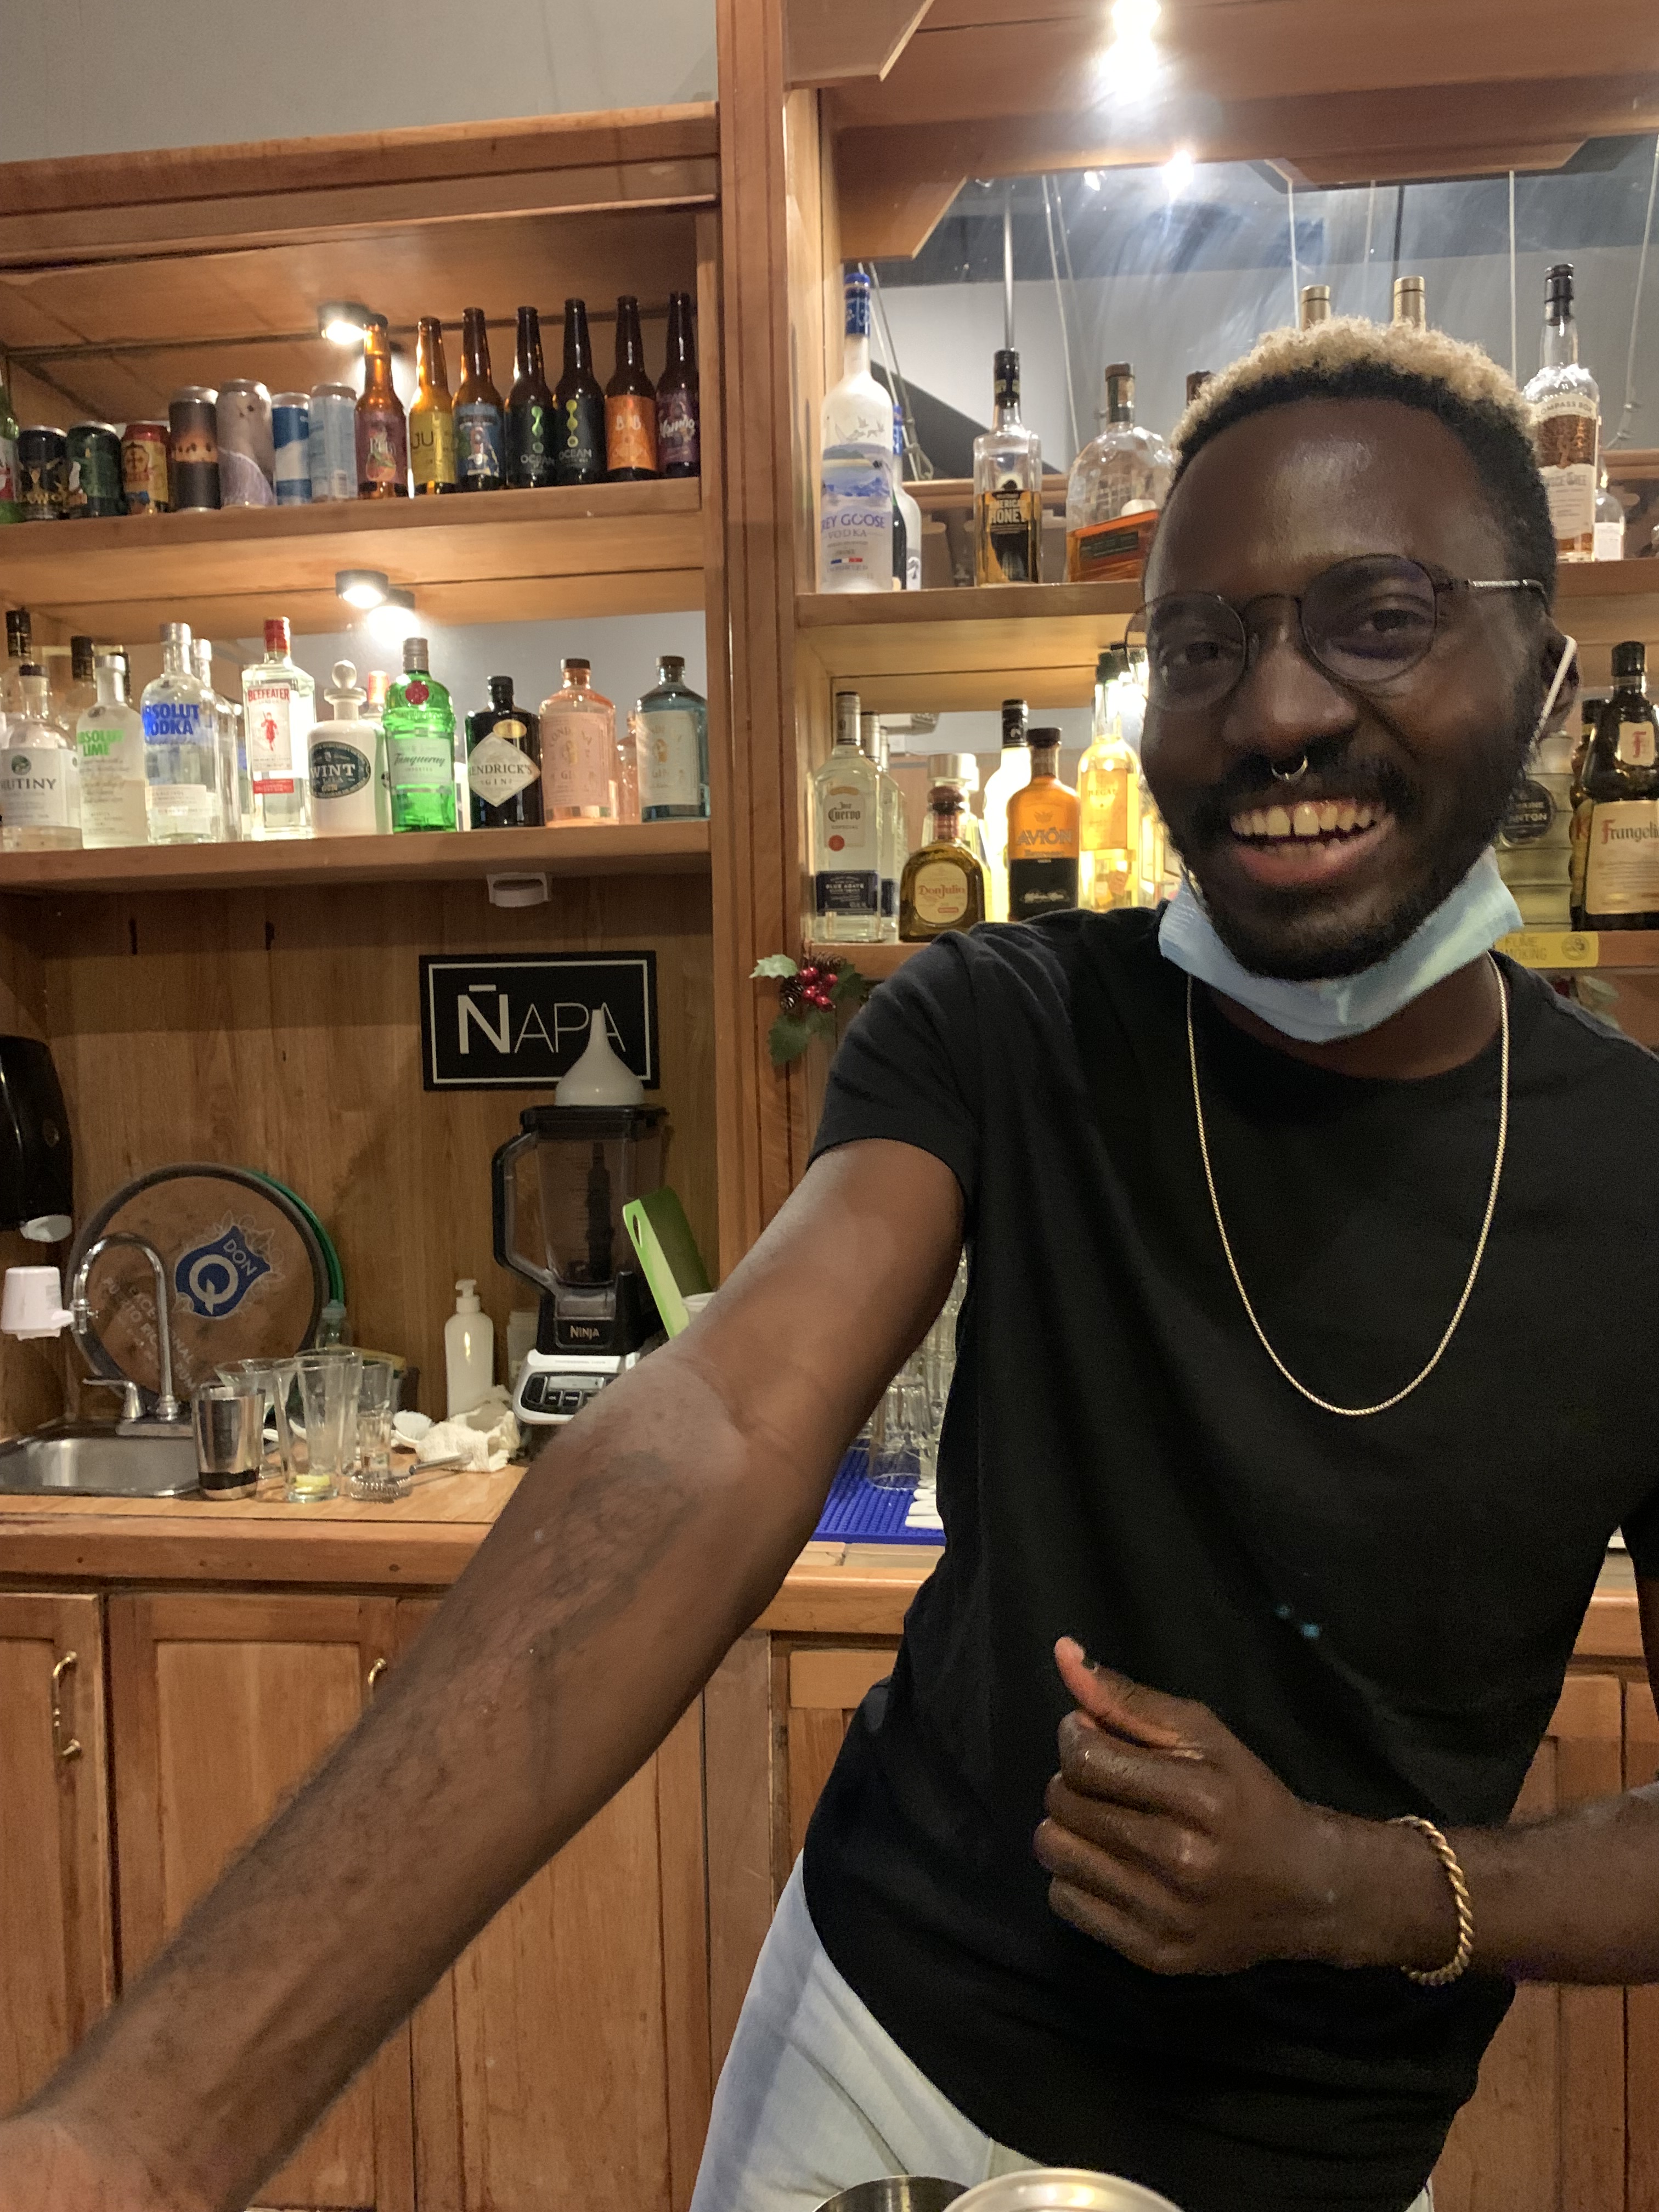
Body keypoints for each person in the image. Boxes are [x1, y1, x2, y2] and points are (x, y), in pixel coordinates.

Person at [5, 317, 1659, 2212]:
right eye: (1201, 648)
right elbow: (710, 1424)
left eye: (1379, 617)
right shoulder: (1008, 1027)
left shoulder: (1640, 1179)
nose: (1278, 711)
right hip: (879, 2049)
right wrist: (137, 2137)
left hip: (1328, 2153)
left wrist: (1361, 1891)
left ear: (1540, 678)